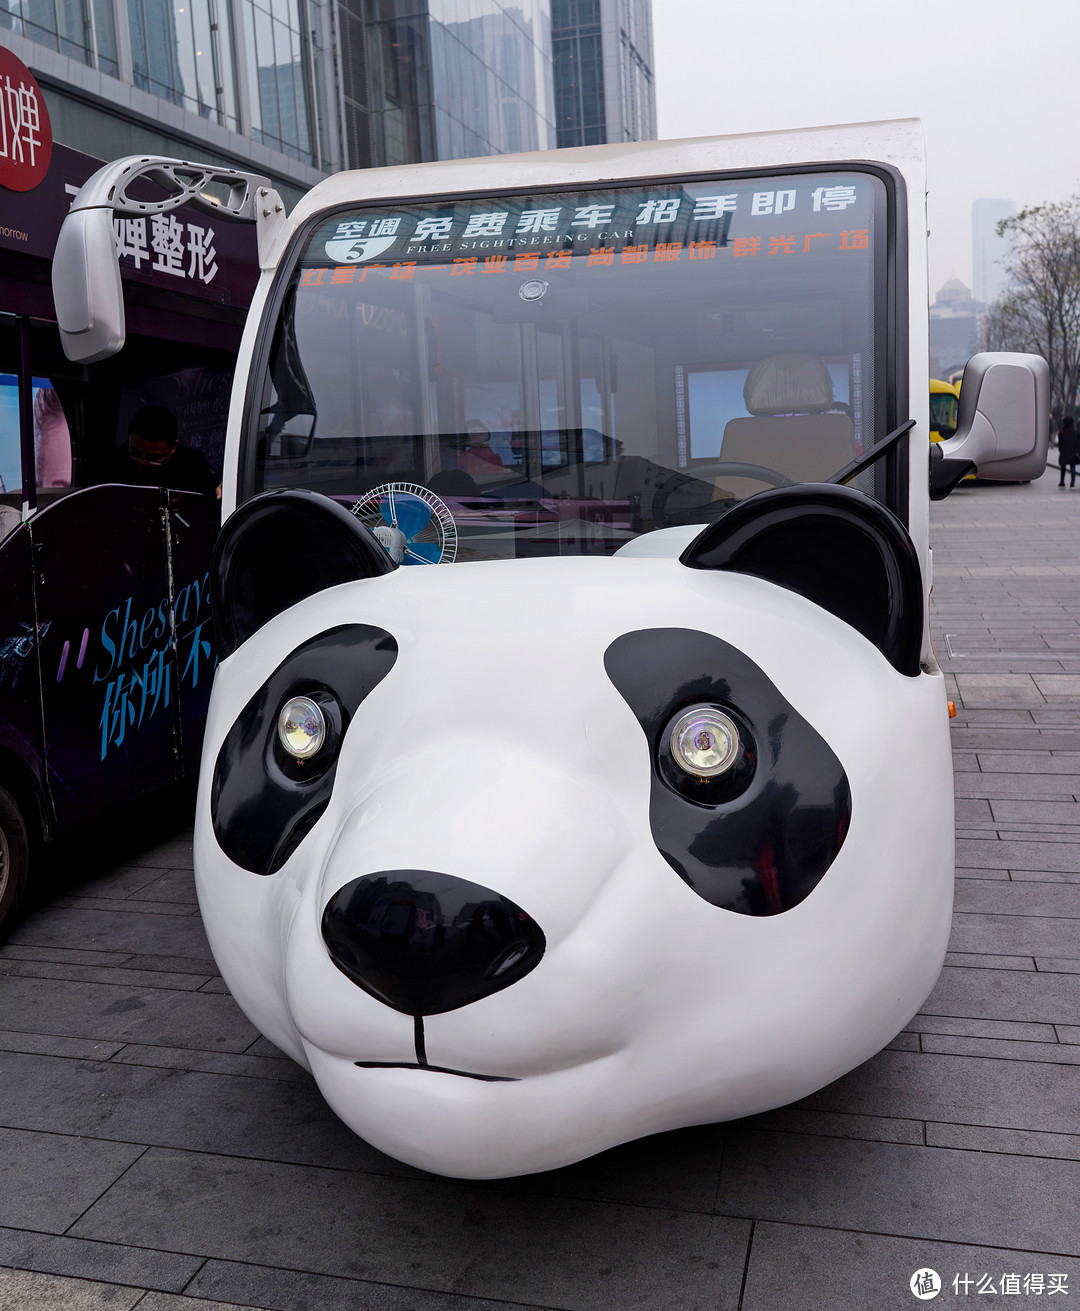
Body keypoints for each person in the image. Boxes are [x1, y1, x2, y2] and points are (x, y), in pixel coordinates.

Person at [114, 406, 222, 498]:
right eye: (136, 453)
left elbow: (213, 484)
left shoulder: (193, 463)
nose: (143, 462)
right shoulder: (115, 464)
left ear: (173, 447)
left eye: (153, 457)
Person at [1058, 415, 1079, 489]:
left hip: (1064, 452)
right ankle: (1072, 483)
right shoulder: (1075, 432)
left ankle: (1062, 482)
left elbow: (1060, 444)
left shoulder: (1062, 433)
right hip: (1072, 452)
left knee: (1063, 468)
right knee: (1072, 467)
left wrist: (1060, 450)